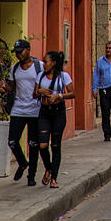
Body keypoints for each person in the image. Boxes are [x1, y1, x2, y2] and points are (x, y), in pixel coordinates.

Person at [0, 39, 43, 186]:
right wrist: (5, 87)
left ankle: (32, 176)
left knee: (33, 144)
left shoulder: (39, 66)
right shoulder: (15, 68)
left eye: (21, 51)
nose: (18, 55)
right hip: (18, 109)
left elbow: (47, 82)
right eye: (17, 53)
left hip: (35, 110)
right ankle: (23, 162)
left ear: (28, 49)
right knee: (12, 141)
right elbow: (13, 88)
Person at [34, 50, 74, 189]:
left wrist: (59, 96)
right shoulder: (40, 76)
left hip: (58, 113)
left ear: (54, 63)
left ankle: (54, 178)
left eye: (46, 61)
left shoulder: (63, 76)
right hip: (44, 112)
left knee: (55, 146)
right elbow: (34, 94)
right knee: (43, 145)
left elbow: (72, 93)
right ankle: (49, 168)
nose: (44, 64)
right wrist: (40, 91)